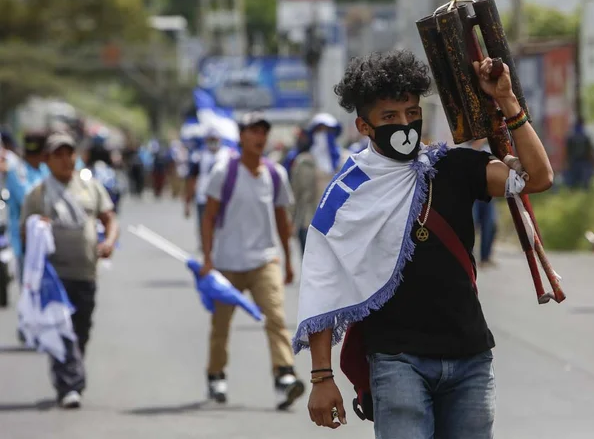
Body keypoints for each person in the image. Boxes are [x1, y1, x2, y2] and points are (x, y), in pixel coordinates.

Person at [295, 50, 553, 436]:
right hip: (397, 361)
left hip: (470, 360)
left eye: (412, 113)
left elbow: (537, 177)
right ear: (364, 126)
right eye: (389, 117)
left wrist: (507, 101)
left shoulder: (452, 166)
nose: (404, 125)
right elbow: (323, 284)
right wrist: (320, 378)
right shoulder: (346, 193)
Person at [199, 112, 305, 409]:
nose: (259, 137)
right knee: (221, 325)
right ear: (241, 136)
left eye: (263, 132)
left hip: (264, 260)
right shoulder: (224, 171)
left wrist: (287, 259)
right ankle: (216, 374)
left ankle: (284, 374)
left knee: (276, 318)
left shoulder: (275, 174)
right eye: (252, 131)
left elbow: (282, 220)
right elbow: (208, 217)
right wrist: (207, 258)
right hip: (227, 263)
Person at [20, 131, 119, 408]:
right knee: (61, 328)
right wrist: (37, 228)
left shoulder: (90, 187)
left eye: (70, 153)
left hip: (86, 271)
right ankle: (69, 385)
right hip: (55, 276)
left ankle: (71, 373)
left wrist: (109, 242)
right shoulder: (37, 194)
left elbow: (109, 218)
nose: (66, 160)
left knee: (81, 330)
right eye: (58, 155)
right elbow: (25, 233)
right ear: (48, 160)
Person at [6, 132, 50, 274]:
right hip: (25, 241)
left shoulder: (45, 170)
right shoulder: (18, 171)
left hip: (46, 241)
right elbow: (26, 199)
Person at [184, 126, 231, 248]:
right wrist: (187, 203)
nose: (213, 142)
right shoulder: (198, 157)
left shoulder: (229, 156)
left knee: (222, 225)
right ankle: (206, 247)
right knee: (204, 224)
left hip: (223, 197)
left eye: (215, 139)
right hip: (203, 197)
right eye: (210, 139)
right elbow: (191, 180)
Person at [565, 117, 594, 189]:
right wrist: (593, 161)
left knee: (573, 183)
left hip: (573, 161)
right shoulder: (586, 136)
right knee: (584, 182)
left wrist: (566, 161)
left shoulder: (570, 136)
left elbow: (567, 150)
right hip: (584, 162)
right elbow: (590, 151)